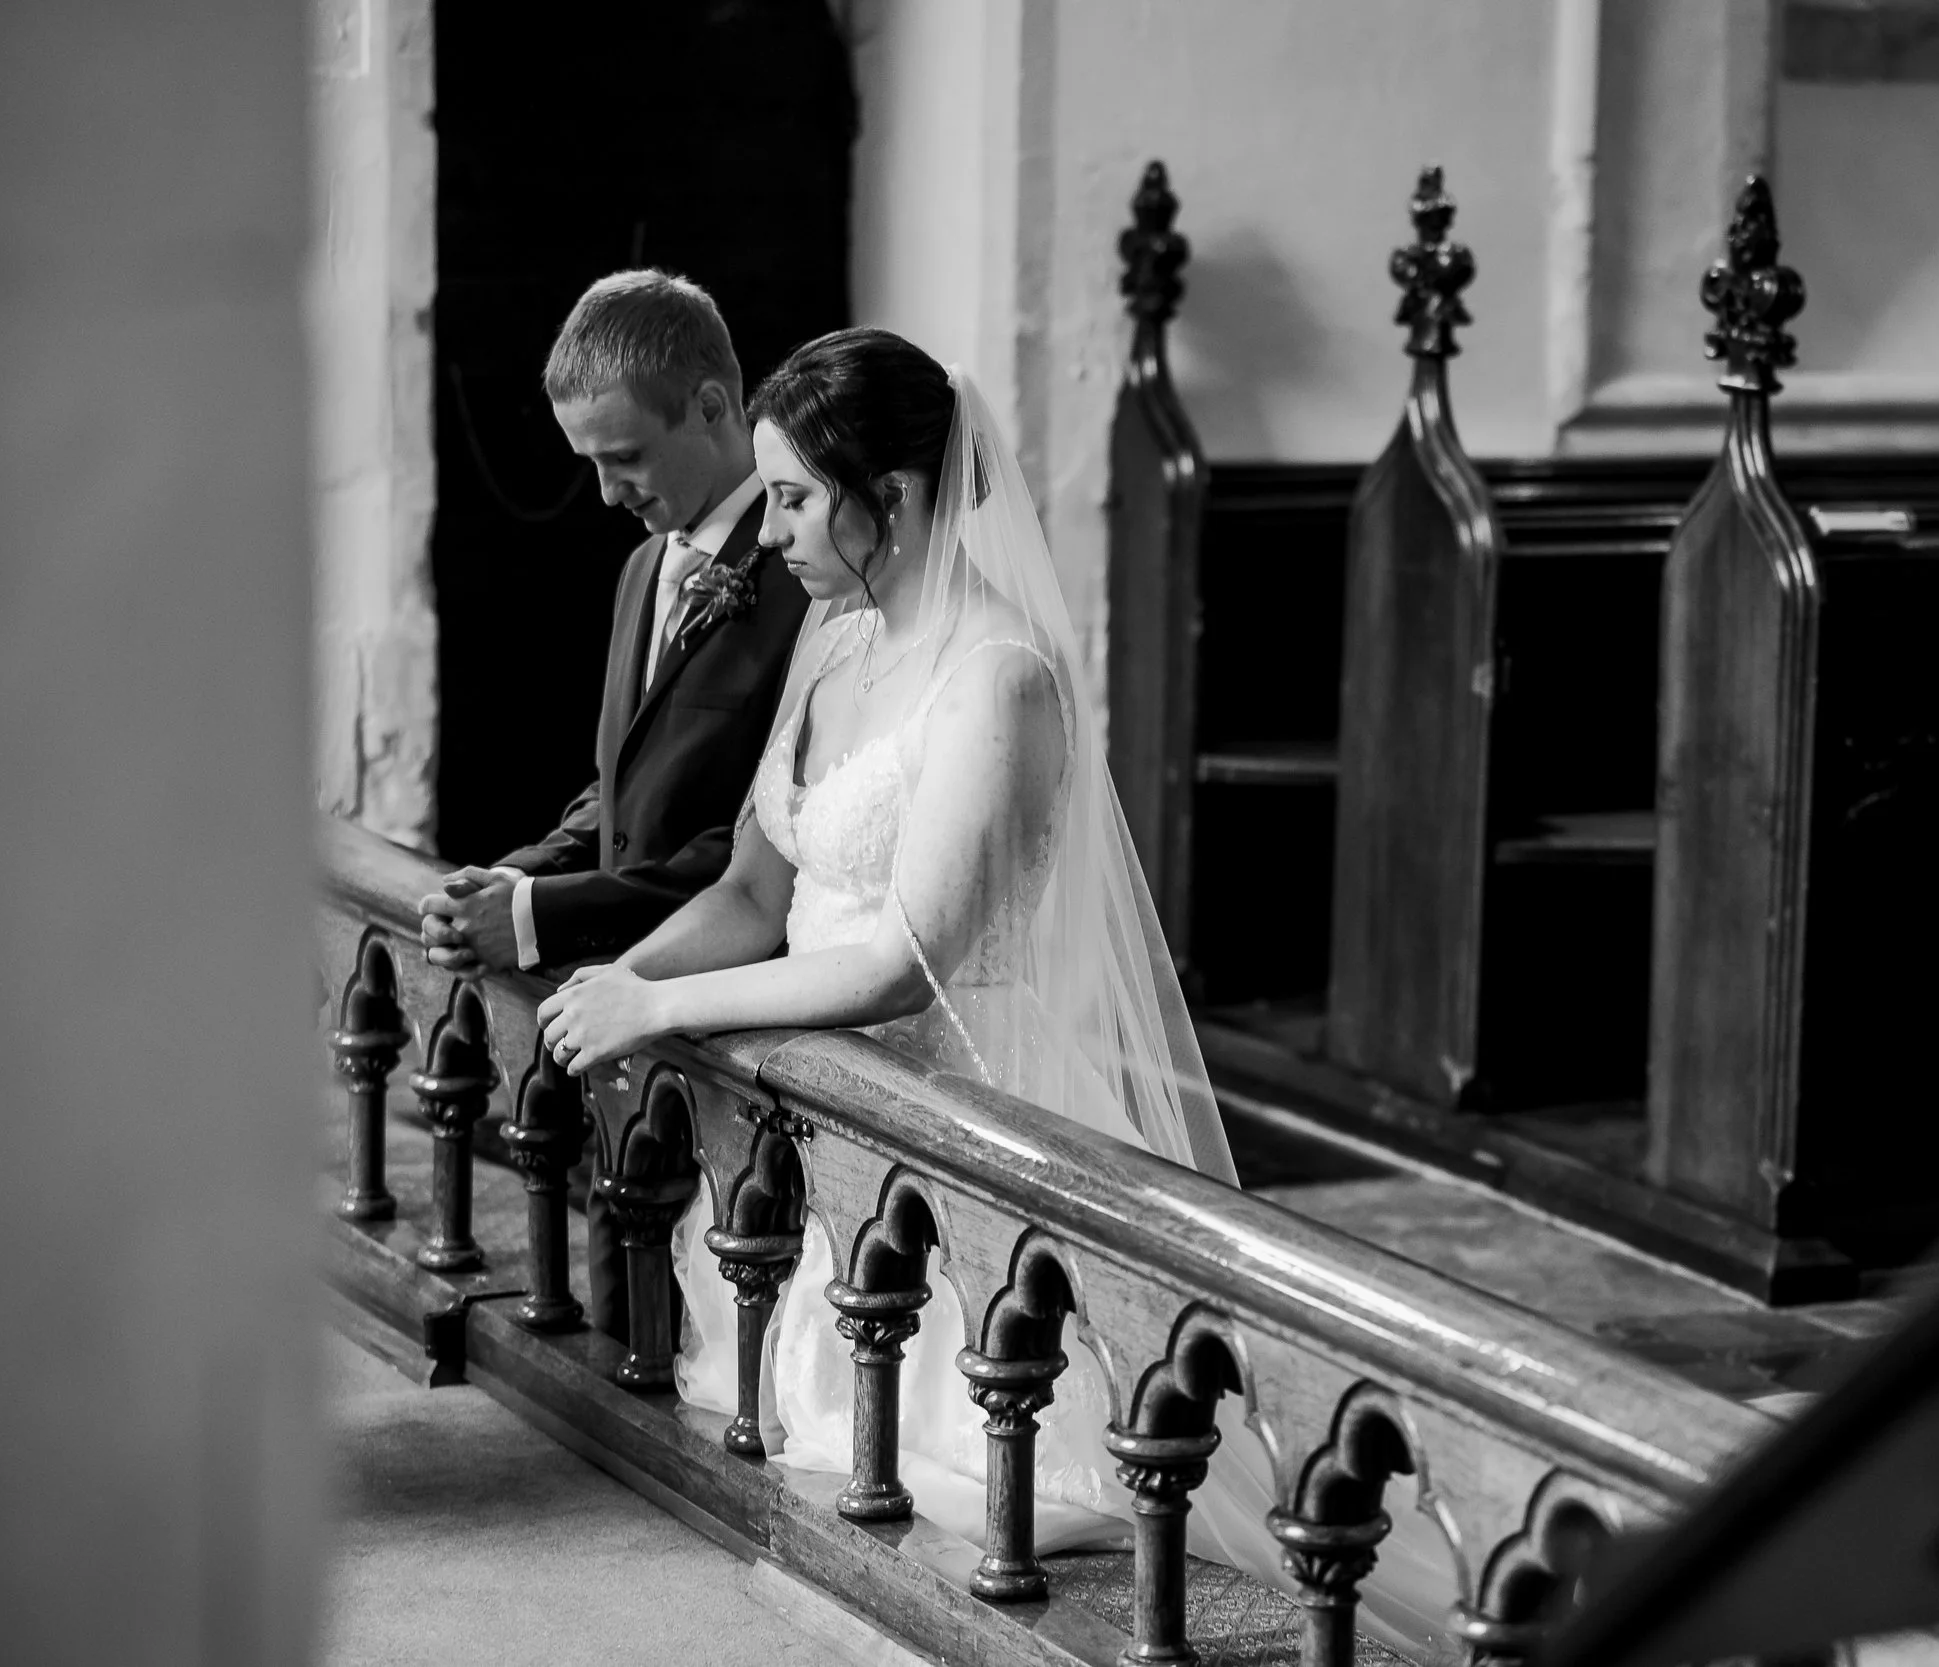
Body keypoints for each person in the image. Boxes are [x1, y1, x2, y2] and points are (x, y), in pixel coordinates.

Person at [536, 328, 1452, 1659]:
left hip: (965, 1123)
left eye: (795, 497)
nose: (775, 525)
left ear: (892, 498)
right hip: (828, 1125)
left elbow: (903, 956)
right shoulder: (836, 644)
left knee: (996, 1499)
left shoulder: (995, 675)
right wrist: (628, 971)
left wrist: (666, 1014)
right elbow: (752, 888)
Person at [419, 270, 809, 1339]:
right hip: (618, 1016)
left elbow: (753, 847)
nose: (603, 492)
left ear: (716, 408)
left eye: (624, 457)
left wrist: (544, 918)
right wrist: (521, 873)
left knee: (693, 1324)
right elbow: (622, 786)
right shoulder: (645, 567)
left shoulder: (806, 585)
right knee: (612, 1301)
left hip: (719, 1004)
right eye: (588, 462)